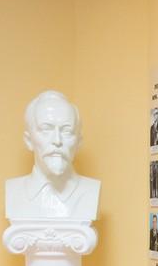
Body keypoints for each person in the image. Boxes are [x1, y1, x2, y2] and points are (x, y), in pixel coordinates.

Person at [7, 90, 99, 220]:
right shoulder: (14, 192)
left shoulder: (91, 191)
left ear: (79, 142)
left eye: (67, 131)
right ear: (28, 141)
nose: (57, 140)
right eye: (46, 129)